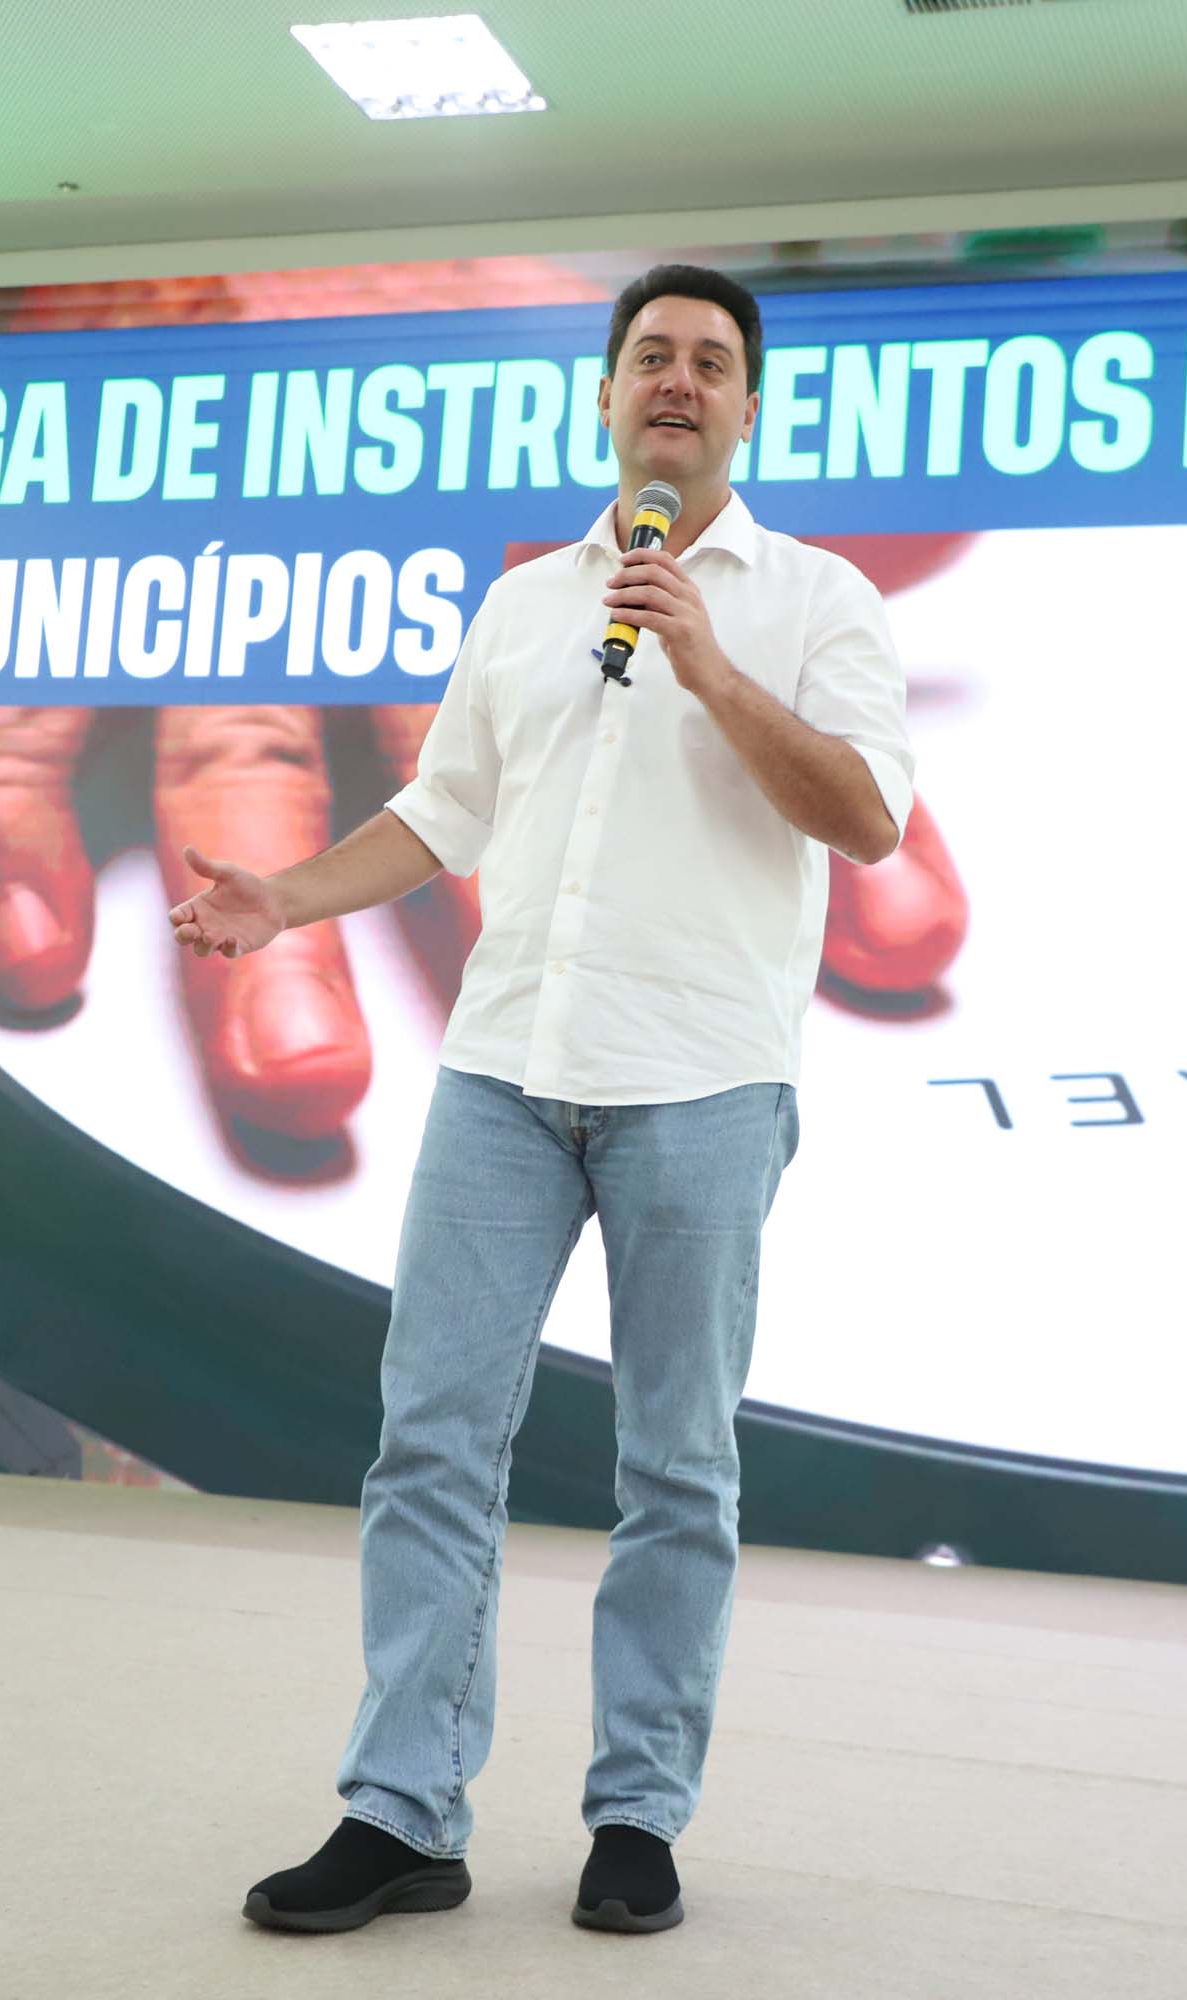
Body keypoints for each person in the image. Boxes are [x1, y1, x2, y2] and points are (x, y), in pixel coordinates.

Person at [171, 263, 914, 1936]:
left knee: (677, 1468)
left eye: (710, 361)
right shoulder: (522, 604)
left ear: (749, 407)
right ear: (605, 394)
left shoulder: (818, 599)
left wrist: (710, 665)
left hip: (702, 1080)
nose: (678, 380)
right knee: (428, 1441)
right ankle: (402, 1810)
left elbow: (866, 819)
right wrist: (286, 899)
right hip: (505, 1069)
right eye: (651, 355)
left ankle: (637, 1815)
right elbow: (441, 814)